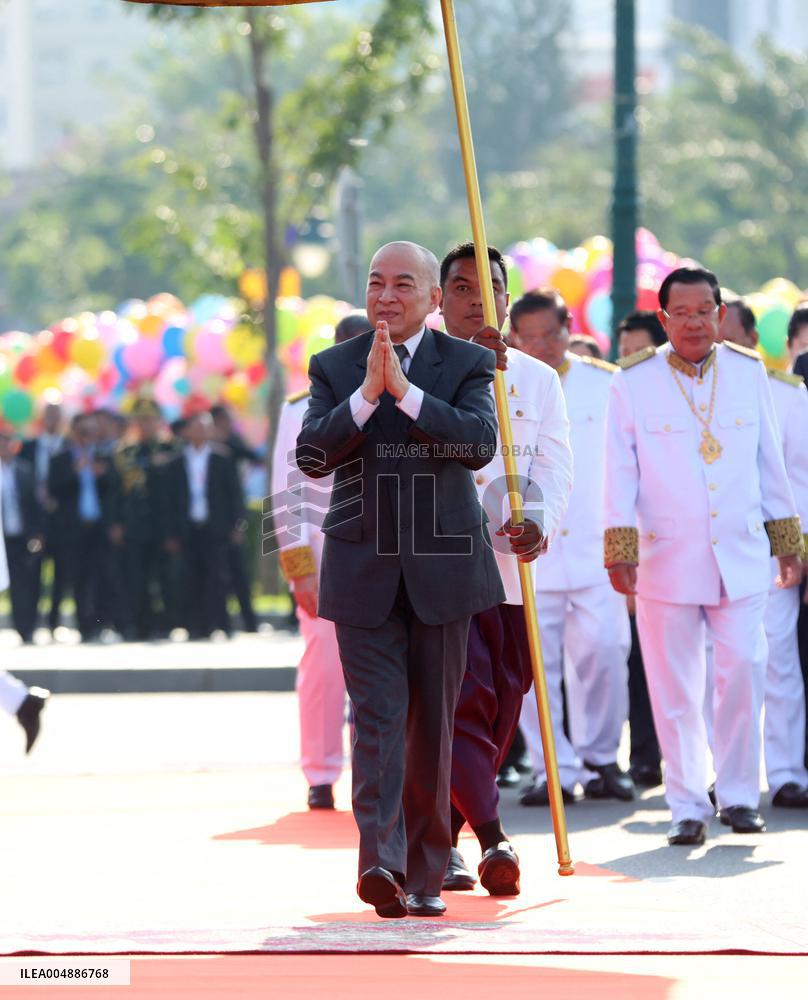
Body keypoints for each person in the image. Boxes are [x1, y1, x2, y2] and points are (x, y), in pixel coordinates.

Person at [297, 241, 503, 919]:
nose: (386, 296)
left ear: (434, 299)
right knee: (379, 721)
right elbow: (311, 455)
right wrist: (365, 397)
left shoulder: (467, 362)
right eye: (376, 283)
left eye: (403, 284)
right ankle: (379, 863)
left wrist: (407, 395)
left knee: (432, 727)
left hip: (444, 571)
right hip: (362, 570)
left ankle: (425, 873)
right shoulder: (335, 366)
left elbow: (476, 443)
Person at [605, 266, 803, 847]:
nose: (693, 322)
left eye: (703, 312)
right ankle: (687, 805)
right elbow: (618, 470)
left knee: (744, 668)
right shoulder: (633, 380)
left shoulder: (748, 371)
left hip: (740, 553)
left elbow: (770, 461)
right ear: (663, 318)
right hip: (666, 557)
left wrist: (787, 541)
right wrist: (620, 548)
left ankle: (738, 795)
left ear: (720, 315)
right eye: (682, 313)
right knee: (674, 690)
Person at [438, 244, 572, 896]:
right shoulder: (418, 369)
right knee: (463, 703)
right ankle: (490, 837)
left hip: (510, 574)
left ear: (507, 299)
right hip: (440, 570)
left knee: (503, 706)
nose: (477, 300)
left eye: (489, 287)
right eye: (462, 288)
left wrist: (538, 521)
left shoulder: (537, 379)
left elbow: (554, 462)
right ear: (439, 300)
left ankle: (443, 833)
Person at [510, 289, 634, 806]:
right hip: (528, 553)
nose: (542, 346)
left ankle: (601, 756)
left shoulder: (606, 383)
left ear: (568, 330)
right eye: (530, 337)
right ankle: (552, 769)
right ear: (515, 338)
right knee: (534, 670)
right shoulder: (501, 382)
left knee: (606, 654)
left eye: (551, 334)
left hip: (593, 547)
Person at [270, 312, 369, 811]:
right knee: (325, 667)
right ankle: (321, 771)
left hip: (387, 553)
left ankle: (377, 771)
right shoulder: (301, 408)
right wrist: (299, 571)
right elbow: (286, 495)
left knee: (383, 671)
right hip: (326, 556)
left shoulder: (401, 394)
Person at [719, 298, 808, 807]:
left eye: (731, 339)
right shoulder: (667, 391)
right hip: (702, 555)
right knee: (717, 671)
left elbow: (798, 479)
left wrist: (796, 547)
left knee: (778, 663)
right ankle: (723, 776)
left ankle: (787, 773)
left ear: (754, 341)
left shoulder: (788, 395)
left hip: (770, 554)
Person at [616, 311, 668, 788]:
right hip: (630, 556)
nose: (630, 360)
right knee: (636, 665)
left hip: (676, 555)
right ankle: (644, 756)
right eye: (624, 351)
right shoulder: (618, 394)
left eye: (640, 350)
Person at [164, 412, 246, 640]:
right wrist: (171, 532)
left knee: (218, 576)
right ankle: (194, 625)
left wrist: (238, 525)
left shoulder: (222, 458)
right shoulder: (176, 462)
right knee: (190, 576)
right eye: (196, 427)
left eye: (204, 427)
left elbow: (235, 495)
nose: (200, 431)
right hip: (189, 526)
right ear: (187, 431)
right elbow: (169, 500)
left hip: (216, 526)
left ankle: (220, 623)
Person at [48, 413, 122, 642]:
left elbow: (116, 490)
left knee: (103, 576)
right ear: (74, 432)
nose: (88, 437)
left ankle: (103, 624)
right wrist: (75, 472)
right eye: (84, 432)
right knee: (77, 578)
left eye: (92, 432)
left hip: (99, 527)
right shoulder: (61, 459)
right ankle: (84, 626)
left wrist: (103, 475)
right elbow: (54, 489)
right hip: (73, 528)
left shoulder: (103, 457)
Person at [113, 398, 179, 640]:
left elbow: (177, 492)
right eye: (141, 420)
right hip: (135, 525)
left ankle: (166, 624)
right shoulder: (125, 451)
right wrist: (116, 522)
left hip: (163, 524)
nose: (146, 425)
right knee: (136, 578)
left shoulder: (170, 448)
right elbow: (116, 492)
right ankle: (140, 624)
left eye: (150, 420)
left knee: (165, 577)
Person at [211, 404, 261, 633]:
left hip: (232, 517)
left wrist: (238, 523)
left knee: (239, 572)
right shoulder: (204, 447)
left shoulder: (233, 443)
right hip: (211, 519)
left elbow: (254, 457)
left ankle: (250, 622)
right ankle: (221, 622)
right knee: (216, 576)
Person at [20, 402, 67, 634]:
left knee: (61, 573)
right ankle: (30, 624)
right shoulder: (28, 447)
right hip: (33, 519)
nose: (52, 419)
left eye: (56, 415)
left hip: (61, 520)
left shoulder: (69, 447)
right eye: (48, 415)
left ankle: (54, 622)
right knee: (32, 573)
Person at [0, 429, 44, 644]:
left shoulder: (25, 470)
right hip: (2, 538)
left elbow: (35, 506)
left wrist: (37, 534)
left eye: (6, 443)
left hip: (21, 536)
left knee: (25, 583)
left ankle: (25, 629)